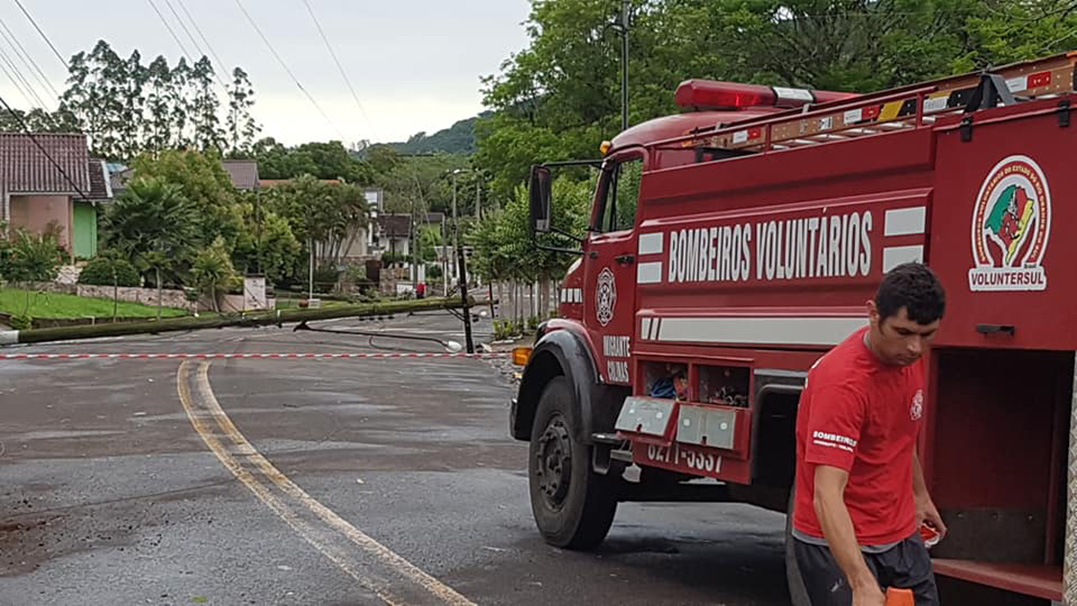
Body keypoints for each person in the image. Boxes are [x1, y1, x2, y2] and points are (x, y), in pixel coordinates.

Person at [792, 262, 948, 606]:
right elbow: (826, 494)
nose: (916, 348)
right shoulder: (843, 384)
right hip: (835, 540)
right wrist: (860, 580)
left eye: (928, 334)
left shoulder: (908, 357)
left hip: (899, 534)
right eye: (904, 332)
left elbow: (899, 435)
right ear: (873, 314)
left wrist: (919, 496)